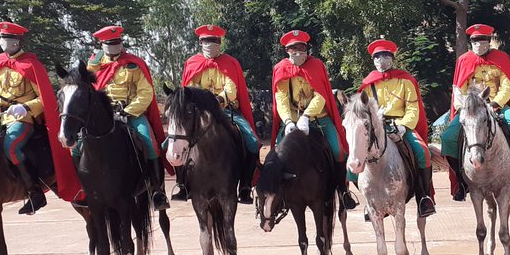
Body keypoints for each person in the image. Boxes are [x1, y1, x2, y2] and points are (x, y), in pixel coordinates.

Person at [0, 21, 81, 214]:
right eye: (1, 38)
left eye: (6, 38)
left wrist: (25, 107)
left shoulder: (31, 65)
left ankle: (35, 192)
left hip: (22, 118)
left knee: (11, 146)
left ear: (16, 41)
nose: (2, 41)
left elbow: (45, 98)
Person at [439, 23, 510, 200]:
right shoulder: (464, 61)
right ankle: (461, 180)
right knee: (447, 138)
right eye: (475, 41)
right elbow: (459, 89)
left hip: (497, 105)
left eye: (482, 41)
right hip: (471, 109)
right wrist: (464, 108)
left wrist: (496, 104)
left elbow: (506, 86)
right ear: (471, 42)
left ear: (489, 41)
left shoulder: (502, 58)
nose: (478, 44)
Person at [85, 25, 170, 210]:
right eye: (109, 44)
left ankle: (157, 191)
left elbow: (145, 92)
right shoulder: (93, 65)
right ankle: (83, 189)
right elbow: (86, 90)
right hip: (103, 115)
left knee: (150, 144)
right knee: (78, 145)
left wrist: (128, 111)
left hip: (130, 113)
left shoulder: (133, 64)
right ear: (102, 45)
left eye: (117, 43)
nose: (113, 47)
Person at [270, 29, 358, 210]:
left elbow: (321, 95)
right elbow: (281, 98)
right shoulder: (281, 68)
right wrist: (288, 121)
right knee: (277, 152)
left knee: (338, 151)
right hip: (293, 120)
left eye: (301, 47)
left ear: (307, 48)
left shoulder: (317, 66)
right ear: (287, 50)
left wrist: (307, 116)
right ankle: (276, 194)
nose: (298, 51)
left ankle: (343, 190)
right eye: (294, 48)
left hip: (318, 118)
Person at [175, 24, 260, 204]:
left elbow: (231, 89)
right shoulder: (192, 63)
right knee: (172, 142)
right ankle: (182, 185)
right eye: (206, 41)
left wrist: (219, 100)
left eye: (214, 41)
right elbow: (189, 90)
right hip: (199, 112)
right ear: (200, 43)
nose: (210, 44)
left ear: (220, 43)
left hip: (226, 110)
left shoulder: (230, 63)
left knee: (252, 142)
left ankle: (245, 186)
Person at [354, 39, 437, 218]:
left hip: (400, 124)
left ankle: (424, 197)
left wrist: (403, 126)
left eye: (385, 55)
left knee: (423, 152)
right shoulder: (368, 84)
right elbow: (362, 111)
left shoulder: (405, 80)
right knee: (353, 157)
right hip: (376, 127)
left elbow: (413, 108)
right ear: (373, 60)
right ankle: (368, 201)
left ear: (392, 58)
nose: (381, 59)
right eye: (377, 56)